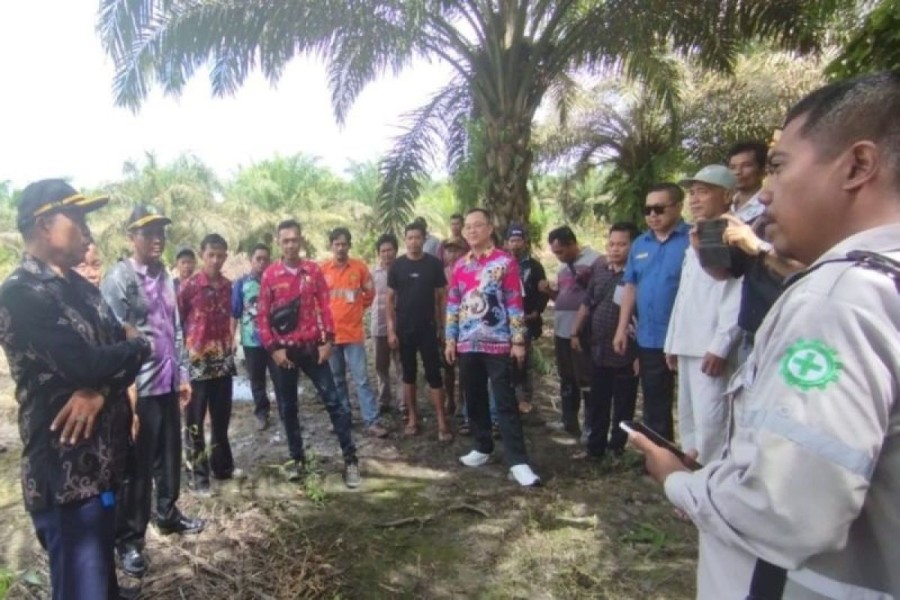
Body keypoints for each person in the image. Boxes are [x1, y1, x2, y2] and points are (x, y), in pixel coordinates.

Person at [629, 71, 900, 599]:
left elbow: (788, 507)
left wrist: (678, 482)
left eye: (777, 167)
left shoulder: (840, 300)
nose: (766, 193)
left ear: (858, 165)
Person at [0, 179, 151, 599]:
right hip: (65, 478)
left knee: (101, 583)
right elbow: (87, 361)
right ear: (45, 224)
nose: (87, 229)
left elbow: (114, 356)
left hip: (103, 465)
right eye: (78, 217)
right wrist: (135, 345)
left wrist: (100, 389)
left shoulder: (82, 288)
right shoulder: (20, 294)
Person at [101, 205, 203, 579]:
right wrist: (125, 391)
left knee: (169, 457)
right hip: (138, 390)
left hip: (167, 383)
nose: (157, 237)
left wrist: (184, 374)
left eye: (160, 230)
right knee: (137, 468)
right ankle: (129, 540)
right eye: (148, 231)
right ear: (132, 236)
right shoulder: (120, 278)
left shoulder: (165, 277)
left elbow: (175, 329)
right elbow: (112, 337)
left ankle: (168, 513)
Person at [257, 219, 361, 488]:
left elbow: (325, 307)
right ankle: (297, 459)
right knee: (288, 407)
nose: (290, 244)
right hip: (284, 354)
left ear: (301, 240)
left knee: (334, 402)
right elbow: (262, 317)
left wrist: (329, 341)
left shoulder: (312, 271)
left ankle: (350, 459)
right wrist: (273, 350)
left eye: (294, 239)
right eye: (285, 240)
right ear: (279, 242)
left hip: (312, 348)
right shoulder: (270, 275)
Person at [445, 208, 540, 487]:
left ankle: (518, 462)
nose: (472, 231)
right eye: (468, 227)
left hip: (498, 344)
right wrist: (451, 338)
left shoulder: (505, 262)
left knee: (505, 401)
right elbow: (453, 304)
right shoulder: (460, 266)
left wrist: (519, 341)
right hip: (467, 343)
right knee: (473, 399)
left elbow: (514, 303)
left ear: (489, 229)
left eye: (478, 226)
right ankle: (482, 446)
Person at [664, 166, 742, 463]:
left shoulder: (733, 233)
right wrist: (673, 342)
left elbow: (736, 294)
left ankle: (711, 483)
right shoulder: (697, 234)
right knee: (690, 420)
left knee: (713, 423)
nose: (695, 199)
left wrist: (721, 344)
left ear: (727, 195)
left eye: (704, 192)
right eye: (692, 193)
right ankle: (694, 480)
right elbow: (684, 296)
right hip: (689, 342)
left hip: (710, 346)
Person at [612, 184, 690, 442]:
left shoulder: (693, 239)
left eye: (659, 208)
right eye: (648, 210)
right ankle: (660, 456)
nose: (653, 215)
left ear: (678, 206)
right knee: (655, 400)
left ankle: (700, 461)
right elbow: (630, 286)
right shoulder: (640, 244)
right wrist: (622, 328)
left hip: (687, 336)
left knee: (693, 403)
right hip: (651, 337)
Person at [571, 222, 640, 460]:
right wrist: (575, 331)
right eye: (611, 244)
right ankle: (595, 448)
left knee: (623, 403)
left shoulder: (638, 275)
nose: (615, 249)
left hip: (626, 350)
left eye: (622, 244)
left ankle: (616, 448)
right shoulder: (600, 271)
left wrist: (639, 353)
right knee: (599, 401)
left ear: (633, 246)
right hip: (599, 348)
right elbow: (587, 302)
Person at [178, 233, 238, 494]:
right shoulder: (189, 287)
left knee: (221, 419)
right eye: (210, 255)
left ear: (226, 256)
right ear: (202, 255)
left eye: (220, 255)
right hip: (197, 364)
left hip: (223, 363)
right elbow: (178, 323)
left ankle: (222, 467)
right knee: (194, 422)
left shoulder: (228, 286)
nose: (215, 260)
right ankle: (197, 476)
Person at [387, 221, 452, 441]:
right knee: (408, 375)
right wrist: (391, 330)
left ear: (424, 239)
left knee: (434, 375)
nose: (414, 242)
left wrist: (444, 327)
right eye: (410, 238)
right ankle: (413, 418)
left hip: (428, 328)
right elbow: (389, 299)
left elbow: (442, 296)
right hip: (404, 329)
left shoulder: (433, 264)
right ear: (405, 240)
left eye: (418, 237)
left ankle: (442, 422)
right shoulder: (397, 266)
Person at [321, 227, 387, 438]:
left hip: (354, 334)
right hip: (331, 336)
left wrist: (359, 308)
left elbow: (370, 292)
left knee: (361, 379)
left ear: (349, 245)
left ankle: (372, 421)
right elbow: (317, 299)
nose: (340, 248)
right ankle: (343, 419)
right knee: (337, 379)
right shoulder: (323, 270)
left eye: (344, 244)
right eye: (336, 244)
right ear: (331, 246)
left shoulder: (359, 268)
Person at [539, 225, 602, 437]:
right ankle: (568, 420)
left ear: (573, 244)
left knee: (586, 378)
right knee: (567, 377)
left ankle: (591, 425)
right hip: (562, 330)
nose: (558, 257)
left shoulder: (595, 261)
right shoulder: (563, 268)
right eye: (555, 253)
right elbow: (562, 297)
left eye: (561, 251)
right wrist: (549, 292)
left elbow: (597, 295)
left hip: (583, 331)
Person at [232, 243, 280, 431]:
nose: (261, 263)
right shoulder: (241, 284)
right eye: (257, 259)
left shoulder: (276, 282)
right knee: (257, 379)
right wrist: (232, 339)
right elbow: (235, 312)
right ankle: (262, 413)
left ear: (270, 261)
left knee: (279, 377)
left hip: (275, 340)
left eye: (265, 259)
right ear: (251, 261)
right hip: (251, 341)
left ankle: (285, 412)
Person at [504, 224, 548, 414]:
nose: (515, 244)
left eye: (518, 240)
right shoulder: (501, 264)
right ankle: (507, 397)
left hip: (526, 320)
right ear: (506, 243)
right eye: (512, 240)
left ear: (525, 242)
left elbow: (543, 291)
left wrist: (536, 311)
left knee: (523, 360)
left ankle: (524, 398)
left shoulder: (534, 266)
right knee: (505, 361)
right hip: (503, 322)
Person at [371, 233, 403, 414]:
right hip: (379, 325)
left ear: (395, 251)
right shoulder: (373, 273)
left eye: (389, 250)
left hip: (400, 324)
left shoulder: (402, 269)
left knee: (401, 364)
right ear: (379, 253)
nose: (386, 254)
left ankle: (403, 402)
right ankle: (383, 399)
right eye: (383, 251)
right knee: (380, 365)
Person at [440, 236, 467, 417]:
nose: (452, 254)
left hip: (466, 326)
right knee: (447, 367)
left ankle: (463, 402)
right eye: (449, 250)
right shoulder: (441, 273)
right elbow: (436, 301)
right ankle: (449, 398)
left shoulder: (470, 271)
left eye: (456, 250)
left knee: (465, 367)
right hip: (446, 325)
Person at [727, 141, 769, 224]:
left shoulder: (768, 207)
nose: (737, 172)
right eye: (732, 167)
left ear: (763, 170)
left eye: (746, 165)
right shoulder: (726, 205)